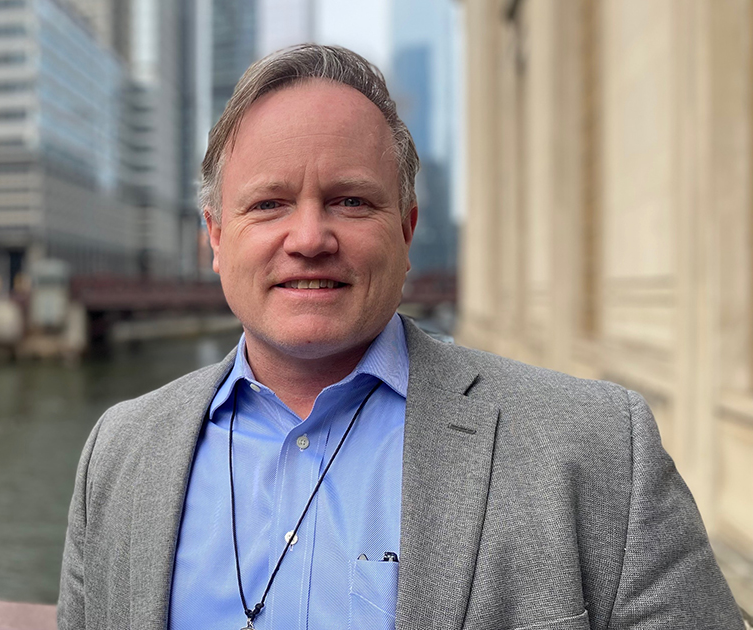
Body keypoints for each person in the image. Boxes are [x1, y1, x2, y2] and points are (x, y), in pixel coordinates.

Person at [56, 44, 746, 630]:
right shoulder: (117, 452)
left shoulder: (596, 449)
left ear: (408, 230)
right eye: (268, 205)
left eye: (350, 201)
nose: (308, 239)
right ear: (215, 237)